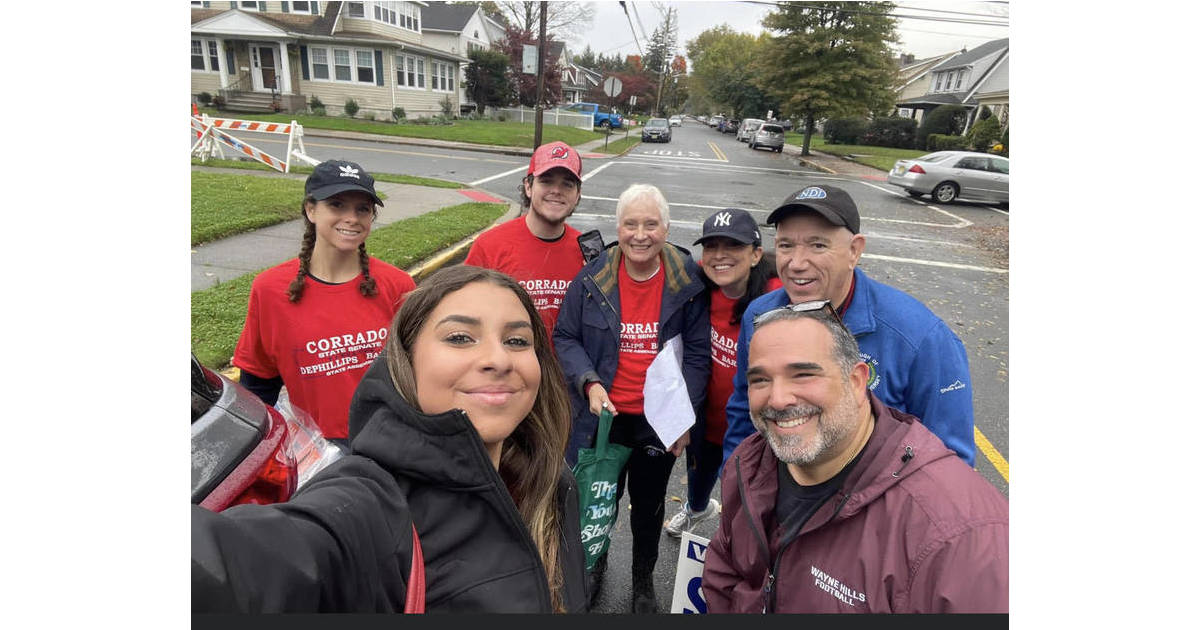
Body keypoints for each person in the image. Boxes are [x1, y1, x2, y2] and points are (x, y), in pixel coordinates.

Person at [193, 266, 587, 612]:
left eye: (517, 341)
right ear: (406, 358)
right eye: (460, 337)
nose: (498, 359)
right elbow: (232, 569)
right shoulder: (370, 506)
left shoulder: (552, 482)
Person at [702, 304, 1008, 613]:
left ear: (857, 381)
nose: (778, 399)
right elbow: (725, 575)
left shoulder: (958, 535)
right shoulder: (751, 462)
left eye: (804, 374)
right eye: (761, 380)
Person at [722, 185, 976, 466]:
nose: (796, 263)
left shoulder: (921, 338)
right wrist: (737, 486)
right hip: (782, 498)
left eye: (818, 245)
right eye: (785, 245)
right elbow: (742, 412)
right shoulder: (759, 316)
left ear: (854, 251)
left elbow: (951, 461)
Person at [554, 184, 710, 613]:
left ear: (666, 227)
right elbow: (565, 336)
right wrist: (589, 382)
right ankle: (594, 564)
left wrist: (684, 418)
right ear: (617, 227)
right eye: (630, 224)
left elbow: (698, 354)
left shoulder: (687, 279)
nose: (640, 234)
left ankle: (643, 581)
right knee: (598, 500)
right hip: (603, 416)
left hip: (657, 421)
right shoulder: (594, 277)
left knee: (647, 504)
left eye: (651, 224)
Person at [233, 159, 416, 446]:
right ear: (311, 209)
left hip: (392, 442)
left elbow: (420, 373)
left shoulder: (397, 285)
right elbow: (258, 384)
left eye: (362, 209)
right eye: (337, 205)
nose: (352, 217)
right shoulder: (270, 289)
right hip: (320, 452)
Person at [665, 208, 781, 538]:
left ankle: (738, 540)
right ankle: (697, 510)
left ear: (756, 254)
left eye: (732, 246)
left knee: (745, 492)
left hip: (751, 422)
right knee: (699, 475)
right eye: (712, 246)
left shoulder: (777, 298)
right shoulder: (700, 285)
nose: (720, 256)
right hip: (707, 416)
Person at [464, 141, 585, 338]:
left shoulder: (587, 251)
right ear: (528, 187)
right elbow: (465, 313)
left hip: (569, 367)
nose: (557, 190)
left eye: (567, 184)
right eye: (546, 181)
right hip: (509, 365)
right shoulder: (490, 246)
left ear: (578, 194)